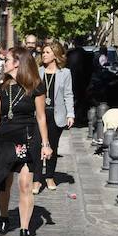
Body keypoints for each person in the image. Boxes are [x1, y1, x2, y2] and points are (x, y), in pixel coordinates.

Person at [0, 47, 52, 236]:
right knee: (3, 183)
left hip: (27, 138)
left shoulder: (36, 86)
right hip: (5, 138)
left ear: (17, 63)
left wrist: (46, 144)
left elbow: (41, 116)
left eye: (7, 60)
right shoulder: (2, 89)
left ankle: (25, 228)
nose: (4, 63)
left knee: (25, 185)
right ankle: (4, 217)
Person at [33, 41, 75, 193]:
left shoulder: (65, 73)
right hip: (40, 114)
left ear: (56, 55)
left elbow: (68, 95)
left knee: (53, 147)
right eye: (43, 52)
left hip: (57, 114)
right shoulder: (38, 72)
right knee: (38, 146)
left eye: (47, 52)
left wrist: (70, 114)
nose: (44, 55)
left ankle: (49, 176)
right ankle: (37, 179)